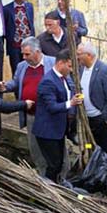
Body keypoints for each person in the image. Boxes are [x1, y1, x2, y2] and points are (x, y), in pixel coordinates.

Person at [0, 37, 54, 174]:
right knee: (35, 147)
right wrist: (6, 86)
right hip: (31, 115)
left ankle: (60, 174)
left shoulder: (52, 63)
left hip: (50, 116)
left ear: (37, 52)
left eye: (27, 54)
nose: (24, 57)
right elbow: (16, 82)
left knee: (54, 146)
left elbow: (66, 84)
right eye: (23, 54)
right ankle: (42, 173)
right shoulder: (22, 66)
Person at [32, 49, 83, 182]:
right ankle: (50, 190)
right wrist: (70, 103)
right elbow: (52, 107)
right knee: (54, 164)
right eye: (69, 66)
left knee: (59, 163)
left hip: (58, 130)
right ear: (61, 63)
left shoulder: (62, 78)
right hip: (47, 132)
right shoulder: (48, 81)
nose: (71, 70)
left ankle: (55, 186)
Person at [77, 42, 107, 160]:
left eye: (79, 54)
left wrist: (105, 118)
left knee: (106, 148)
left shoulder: (104, 70)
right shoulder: (80, 70)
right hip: (87, 118)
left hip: (101, 119)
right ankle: (93, 169)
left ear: (89, 55)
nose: (77, 57)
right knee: (89, 144)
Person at [3, 0, 35, 74]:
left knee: (30, 68)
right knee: (16, 70)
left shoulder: (29, 6)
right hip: (15, 46)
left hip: (28, 44)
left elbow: (31, 23)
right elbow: (5, 27)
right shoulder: (7, 9)